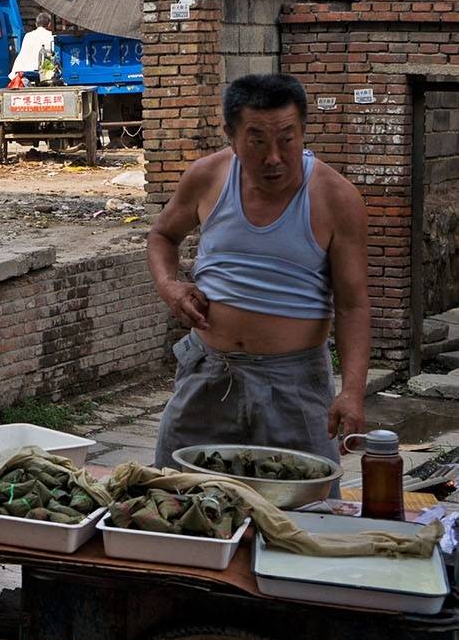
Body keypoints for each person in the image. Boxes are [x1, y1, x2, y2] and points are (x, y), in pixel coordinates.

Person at [148, 73, 369, 470]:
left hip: (295, 386)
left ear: (303, 131)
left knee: (304, 510)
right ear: (231, 136)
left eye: (287, 139)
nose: (273, 157)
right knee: (177, 497)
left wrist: (352, 392)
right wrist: (170, 286)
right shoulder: (207, 177)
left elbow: (352, 305)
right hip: (208, 374)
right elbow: (163, 235)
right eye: (257, 141)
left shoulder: (336, 198)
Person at [8, 12, 55, 82]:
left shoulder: (28, 35)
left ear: (36, 24)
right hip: (43, 74)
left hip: (24, 71)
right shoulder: (51, 36)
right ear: (49, 24)